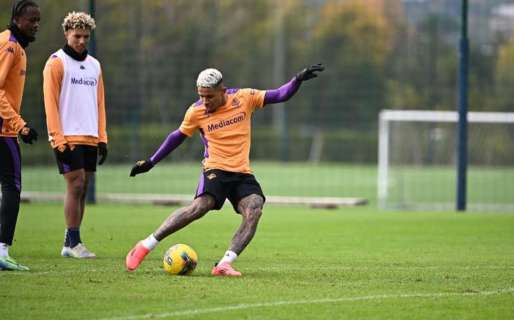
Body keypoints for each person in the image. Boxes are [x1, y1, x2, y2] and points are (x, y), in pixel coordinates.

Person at [126, 64, 324, 276]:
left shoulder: (244, 97)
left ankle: (224, 264)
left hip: (242, 172)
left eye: (209, 96)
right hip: (215, 168)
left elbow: (280, 95)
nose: (205, 101)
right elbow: (177, 137)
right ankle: (146, 244)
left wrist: (297, 80)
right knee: (200, 207)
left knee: (254, 208)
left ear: (222, 91)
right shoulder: (196, 112)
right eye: (201, 96)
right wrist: (151, 162)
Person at [43, 11, 107, 259]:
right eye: (77, 36)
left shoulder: (95, 66)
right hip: (66, 136)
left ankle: (71, 240)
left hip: (90, 135)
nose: (81, 41)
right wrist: (57, 137)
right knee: (76, 183)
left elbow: (100, 103)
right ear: (66, 33)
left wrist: (102, 137)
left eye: (86, 37)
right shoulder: (56, 62)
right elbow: (50, 103)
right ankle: (73, 242)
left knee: (84, 186)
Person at [0, 0, 40, 271]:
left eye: (38, 20)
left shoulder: (16, 46)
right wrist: (20, 125)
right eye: (31, 20)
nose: (36, 25)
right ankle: (2, 251)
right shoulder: (9, 45)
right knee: (12, 186)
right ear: (16, 18)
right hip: (4, 130)